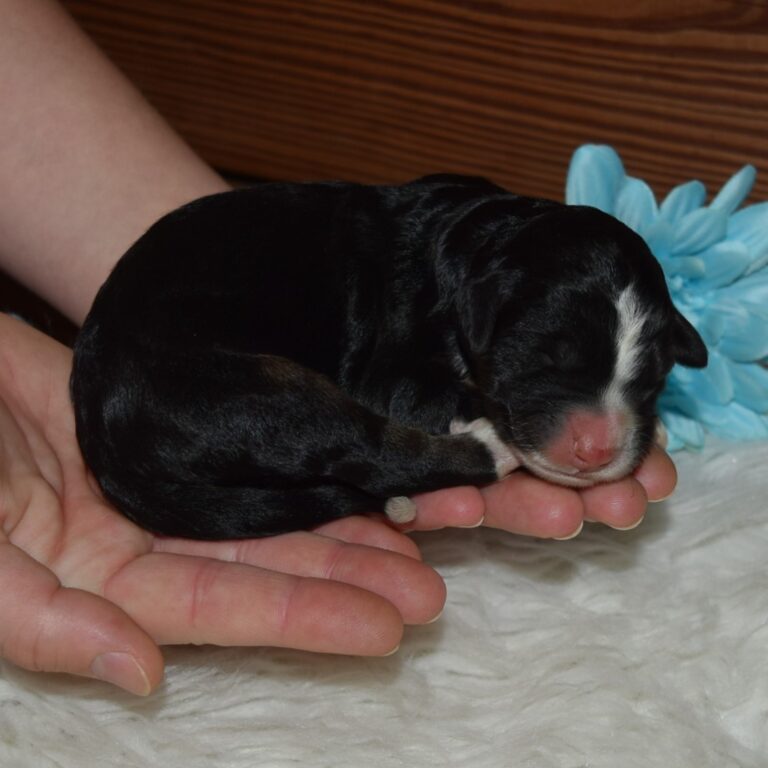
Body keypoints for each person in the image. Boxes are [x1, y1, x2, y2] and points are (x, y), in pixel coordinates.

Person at [0, 0, 676, 696]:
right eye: (554, 363)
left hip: (158, 388)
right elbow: (382, 387)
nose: (603, 433)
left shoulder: (453, 270)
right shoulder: (418, 288)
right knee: (317, 420)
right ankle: (429, 463)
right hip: (178, 391)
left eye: (644, 381)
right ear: (485, 309)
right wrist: (448, 450)